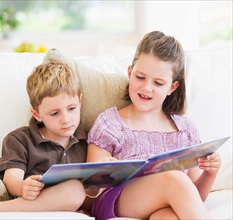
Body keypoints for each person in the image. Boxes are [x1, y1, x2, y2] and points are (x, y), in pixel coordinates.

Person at [86, 31, 221, 219]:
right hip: (118, 199)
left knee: (169, 216)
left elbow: (194, 197)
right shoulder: (109, 123)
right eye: (140, 77)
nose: (146, 88)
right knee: (174, 178)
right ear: (130, 73)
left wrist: (210, 173)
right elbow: (90, 190)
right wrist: (104, 169)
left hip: (164, 200)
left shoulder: (185, 129)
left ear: (171, 88)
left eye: (158, 83)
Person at [0, 61, 88, 212]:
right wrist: (22, 187)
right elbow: (11, 178)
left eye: (72, 108)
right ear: (37, 114)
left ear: (80, 101)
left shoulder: (88, 140)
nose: (66, 119)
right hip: (31, 205)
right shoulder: (19, 139)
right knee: (74, 190)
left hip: (73, 206)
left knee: (75, 191)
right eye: (55, 113)